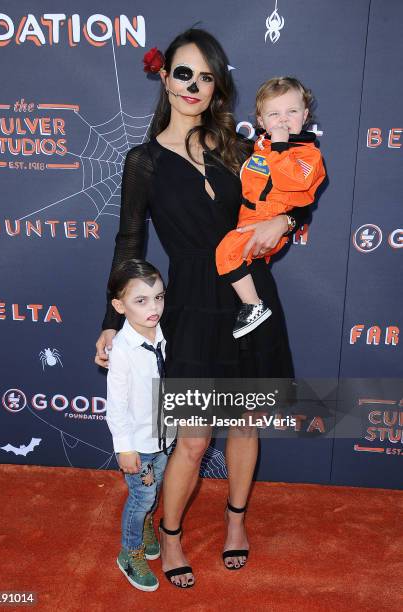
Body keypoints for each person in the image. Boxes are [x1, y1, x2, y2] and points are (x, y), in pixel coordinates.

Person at [95, 28, 309, 588]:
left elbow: (292, 200)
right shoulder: (142, 161)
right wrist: (113, 321)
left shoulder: (242, 150)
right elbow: (129, 244)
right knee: (192, 438)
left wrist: (283, 221)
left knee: (244, 424)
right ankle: (169, 535)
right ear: (164, 78)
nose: (192, 85)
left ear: (217, 89)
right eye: (182, 72)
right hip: (190, 303)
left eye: (205, 76)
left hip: (250, 298)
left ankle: (236, 522)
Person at [216, 77, 325, 339]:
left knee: (225, 251)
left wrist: (280, 147)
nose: (283, 120)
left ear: (305, 116)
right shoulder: (259, 146)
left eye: (292, 111)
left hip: (270, 221)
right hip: (249, 218)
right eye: (274, 114)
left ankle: (253, 305)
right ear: (261, 122)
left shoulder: (308, 154)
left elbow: (293, 182)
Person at [105, 259, 175, 592]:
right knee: (141, 498)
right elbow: (116, 404)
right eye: (141, 300)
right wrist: (125, 446)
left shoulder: (166, 335)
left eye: (159, 297)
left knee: (153, 492)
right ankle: (129, 553)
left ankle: (147, 526)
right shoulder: (121, 350)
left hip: (165, 438)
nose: (154, 307)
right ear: (119, 306)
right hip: (139, 444)